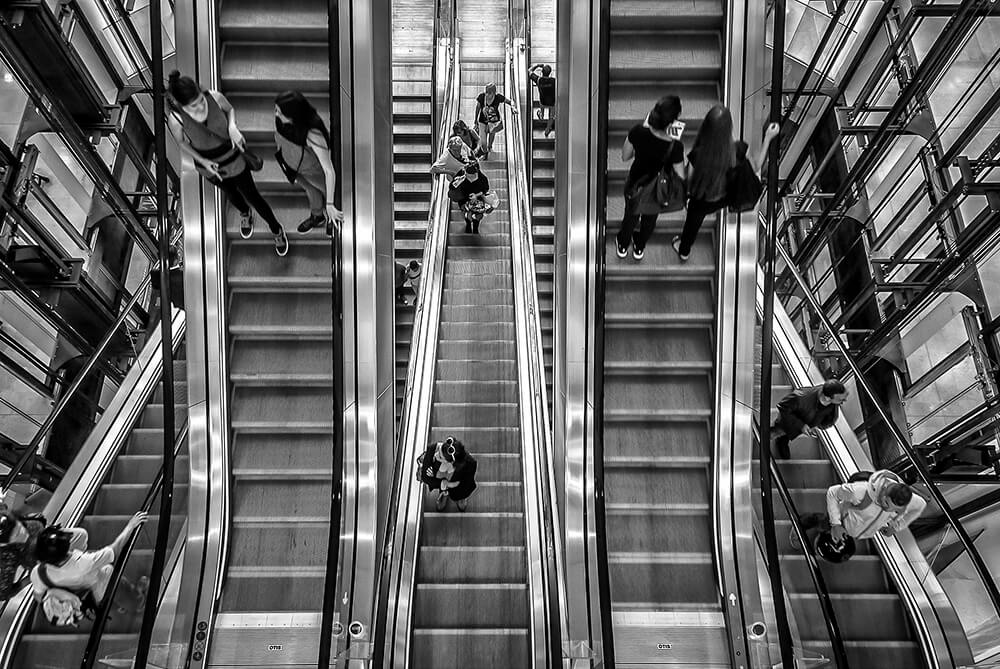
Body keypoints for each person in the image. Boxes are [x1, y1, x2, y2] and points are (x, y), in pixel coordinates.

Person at [166, 71, 289, 256]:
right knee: (231, 193)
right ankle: (245, 213)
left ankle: (276, 229)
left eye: (200, 100)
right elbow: (182, 143)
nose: (200, 107)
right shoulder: (176, 119)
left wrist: (232, 127)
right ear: (180, 105)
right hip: (211, 166)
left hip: (233, 157)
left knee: (253, 195)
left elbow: (230, 109)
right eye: (193, 106)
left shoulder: (214, 97)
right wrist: (203, 162)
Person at [673, 106, 780, 260]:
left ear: (706, 128)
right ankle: (684, 251)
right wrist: (768, 138)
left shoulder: (698, 155)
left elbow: (688, 182)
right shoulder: (739, 149)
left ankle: (684, 250)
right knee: (697, 218)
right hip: (724, 198)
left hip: (701, 200)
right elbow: (756, 166)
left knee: (692, 224)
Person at [615, 95, 685, 261]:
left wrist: (645, 129)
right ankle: (639, 247)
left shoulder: (638, 132)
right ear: (672, 122)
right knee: (650, 220)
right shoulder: (675, 146)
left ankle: (623, 245)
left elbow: (625, 156)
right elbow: (681, 174)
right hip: (657, 191)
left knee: (630, 216)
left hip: (635, 184)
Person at [30, 512, 147, 607]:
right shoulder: (84, 563)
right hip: (98, 588)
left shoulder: (38, 573)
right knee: (108, 571)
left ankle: (117, 604)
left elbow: (39, 597)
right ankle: (136, 601)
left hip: (82, 593)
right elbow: (115, 549)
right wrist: (131, 525)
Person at [274, 90, 343, 234]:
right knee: (310, 189)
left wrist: (330, 204)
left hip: (312, 170)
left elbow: (328, 170)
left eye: (280, 112)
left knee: (326, 190)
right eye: (276, 110)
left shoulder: (313, 134)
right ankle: (317, 216)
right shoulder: (282, 121)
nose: (276, 114)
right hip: (293, 166)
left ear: (293, 114)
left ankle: (331, 217)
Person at [771, 379, 849, 459]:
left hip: (805, 422)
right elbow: (783, 407)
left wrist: (818, 425)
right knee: (775, 433)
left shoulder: (832, 400)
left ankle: (783, 440)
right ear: (827, 398)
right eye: (841, 399)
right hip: (788, 423)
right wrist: (801, 426)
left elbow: (828, 417)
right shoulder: (801, 397)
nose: (844, 401)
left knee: (787, 435)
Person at [419, 436, 478, 512]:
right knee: (439, 475)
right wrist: (443, 483)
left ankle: (460, 497)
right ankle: (444, 493)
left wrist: (453, 486)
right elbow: (425, 477)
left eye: (440, 457)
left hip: (458, 481)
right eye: (439, 451)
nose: (436, 455)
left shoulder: (470, 463)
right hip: (442, 478)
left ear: (451, 462)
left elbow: (467, 483)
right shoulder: (433, 448)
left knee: (461, 486)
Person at [474, 82, 518, 160]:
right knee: (483, 141)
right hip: (482, 121)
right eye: (486, 92)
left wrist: (513, 107)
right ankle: (485, 151)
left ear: (494, 93)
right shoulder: (481, 97)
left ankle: (489, 147)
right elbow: (477, 108)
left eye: (489, 93)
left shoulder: (498, 98)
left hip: (494, 122)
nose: (487, 94)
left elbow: (510, 101)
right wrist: (475, 121)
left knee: (492, 134)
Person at [449, 162, 492, 233]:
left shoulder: (482, 178)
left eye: (470, 176)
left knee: (477, 215)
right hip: (463, 198)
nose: (468, 177)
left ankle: (475, 227)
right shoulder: (462, 173)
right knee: (466, 214)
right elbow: (451, 187)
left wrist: (476, 195)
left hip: (478, 200)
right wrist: (458, 181)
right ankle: (468, 224)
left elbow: (485, 189)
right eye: (467, 174)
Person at [528, 63, 556, 138]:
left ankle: (541, 115)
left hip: (543, 102)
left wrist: (537, 65)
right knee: (551, 116)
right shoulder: (554, 81)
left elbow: (529, 71)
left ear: (542, 72)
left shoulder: (539, 80)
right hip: (552, 102)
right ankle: (547, 130)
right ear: (550, 73)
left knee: (542, 105)